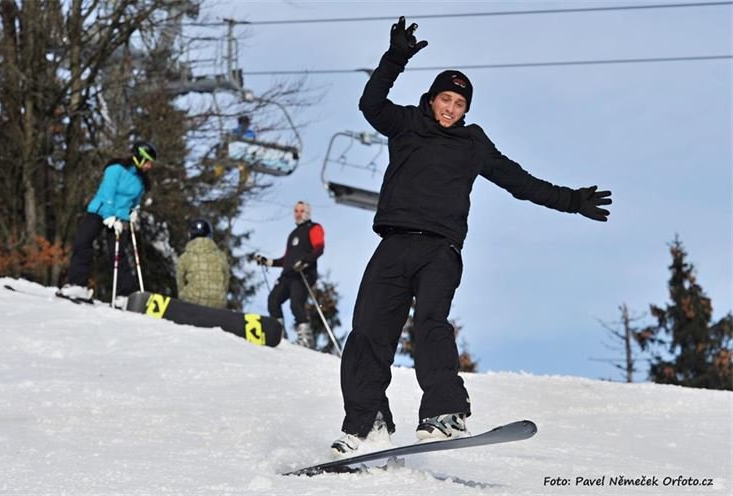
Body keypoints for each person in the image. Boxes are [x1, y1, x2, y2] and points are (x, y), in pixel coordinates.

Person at [330, 17, 612, 457]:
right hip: (392, 245)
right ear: (432, 99)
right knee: (366, 331)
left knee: (431, 325)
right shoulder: (405, 124)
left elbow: (520, 181)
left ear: (466, 110)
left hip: (440, 250)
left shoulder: (473, 143)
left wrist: (571, 200)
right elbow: (370, 103)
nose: (451, 109)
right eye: (446, 99)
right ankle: (367, 423)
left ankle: (444, 413)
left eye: (459, 104)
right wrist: (395, 58)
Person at [57, 141, 157, 307]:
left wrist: (134, 211)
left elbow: (135, 200)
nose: (149, 166)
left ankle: (125, 295)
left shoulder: (141, 181)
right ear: (138, 158)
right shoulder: (115, 169)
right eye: (147, 162)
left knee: (118, 254)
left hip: (121, 218)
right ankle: (78, 285)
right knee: (82, 242)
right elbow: (107, 193)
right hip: (100, 211)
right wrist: (109, 216)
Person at [252, 201, 325, 348]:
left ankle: (306, 339)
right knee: (273, 299)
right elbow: (286, 259)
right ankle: (278, 334)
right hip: (289, 274)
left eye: (301, 211)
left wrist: (305, 261)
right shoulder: (293, 234)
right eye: (296, 211)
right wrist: (269, 262)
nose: (298, 214)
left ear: (307, 213)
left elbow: (319, 247)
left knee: (296, 304)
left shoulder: (314, 228)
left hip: (303, 273)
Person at [176, 218, 231, 309]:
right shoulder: (221, 256)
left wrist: (182, 296)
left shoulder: (185, 257)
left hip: (192, 301)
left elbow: (180, 282)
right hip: (218, 303)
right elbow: (226, 281)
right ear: (210, 235)